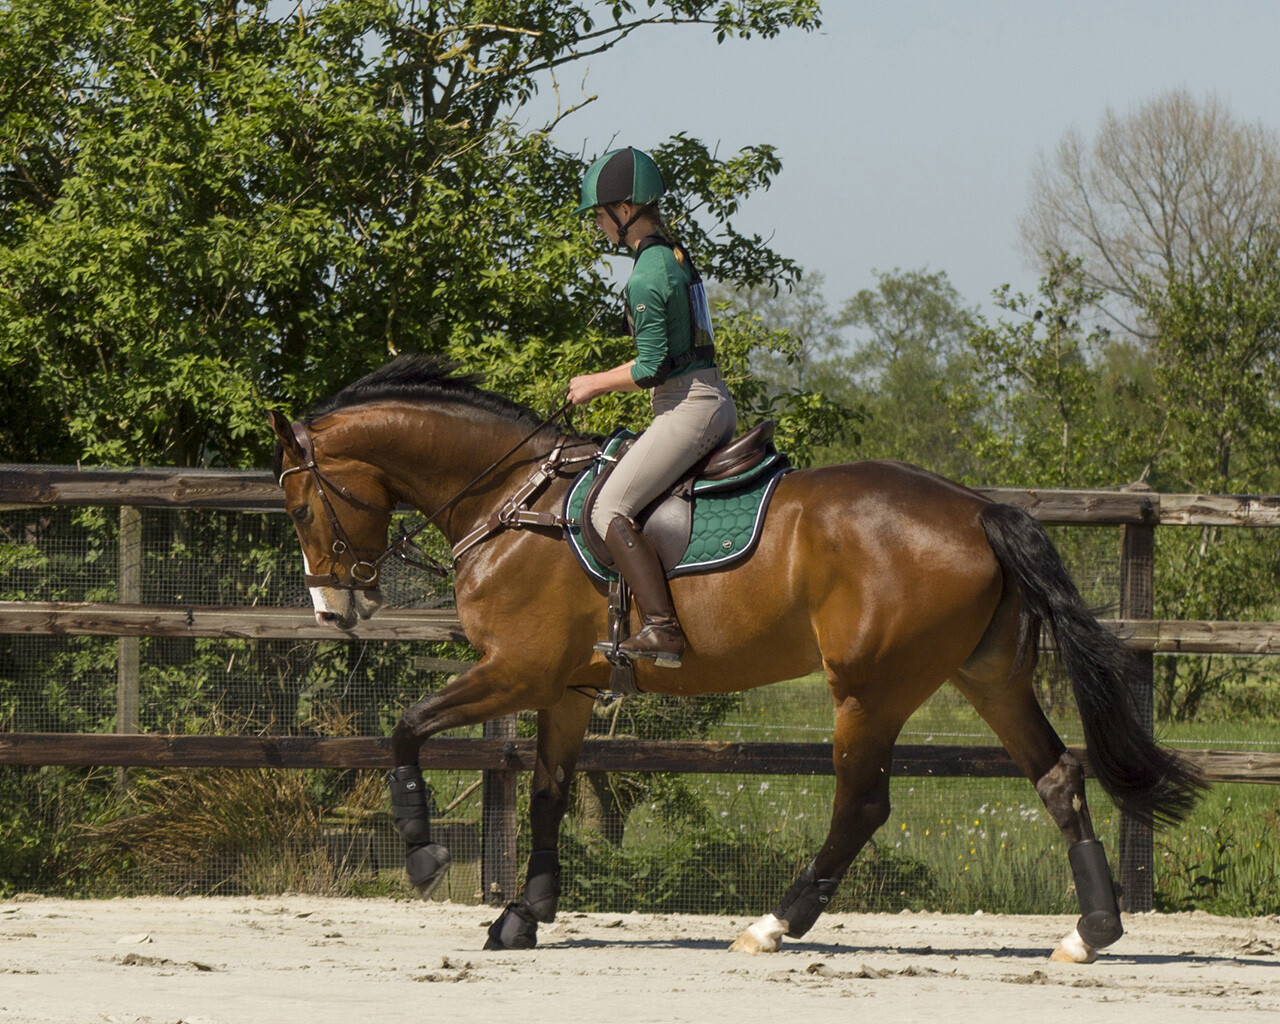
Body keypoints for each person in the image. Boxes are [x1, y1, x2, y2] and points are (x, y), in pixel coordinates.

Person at [568, 146, 738, 668]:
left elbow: (651, 368)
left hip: (688, 407)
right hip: (705, 398)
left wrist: (594, 384)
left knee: (606, 508)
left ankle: (662, 628)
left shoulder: (647, 273)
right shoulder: (672, 254)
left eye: (600, 215)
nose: (598, 226)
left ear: (625, 210)